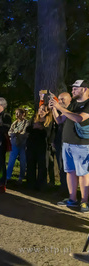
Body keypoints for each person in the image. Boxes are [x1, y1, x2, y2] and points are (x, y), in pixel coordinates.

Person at [51, 80, 89, 212]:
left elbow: (79, 118)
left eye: (75, 89)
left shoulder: (88, 104)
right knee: (70, 172)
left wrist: (60, 107)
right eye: (72, 88)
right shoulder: (73, 103)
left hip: (82, 145)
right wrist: (54, 108)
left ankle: (84, 201)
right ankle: (72, 199)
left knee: (83, 173)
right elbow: (60, 120)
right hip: (67, 143)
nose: (72, 91)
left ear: (84, 89)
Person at [25, 104, 54, 190]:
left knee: (42, 165)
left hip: (42, 146)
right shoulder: (34, 118)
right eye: (40, 109)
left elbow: (48, 134)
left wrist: (41, 128)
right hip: (31, 145)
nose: (40, 111)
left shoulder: (49, 121)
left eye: (43, 110)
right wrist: (34, 127)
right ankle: (30, 184)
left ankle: (41, 185)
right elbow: (27, 129)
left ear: (48, 112)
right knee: (30, 164)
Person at [53, 92, 72, 192]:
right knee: (61, 165)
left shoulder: (72, 110)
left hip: (71, 143)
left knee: (69, 168)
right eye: (59, 99)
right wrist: (53, 108)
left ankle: (70, 190)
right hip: (60, 142)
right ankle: (63, 187)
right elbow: (58, 120)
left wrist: (57, 107)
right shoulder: (62, 111)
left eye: (62, 99)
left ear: (70, 99)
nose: (60, 102)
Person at [6, 108, 29, 183]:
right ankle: (8, 176)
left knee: (23, 161)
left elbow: (24, 132)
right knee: (11, 161)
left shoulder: (26, 123)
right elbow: (10, 132)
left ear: (23, 114)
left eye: (18, 113)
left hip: (23, 144)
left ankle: (21, 177)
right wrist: (16, 132)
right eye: (16, 113)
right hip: (14, 144)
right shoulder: (14, 123)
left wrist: (16, 133)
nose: (16, 115)